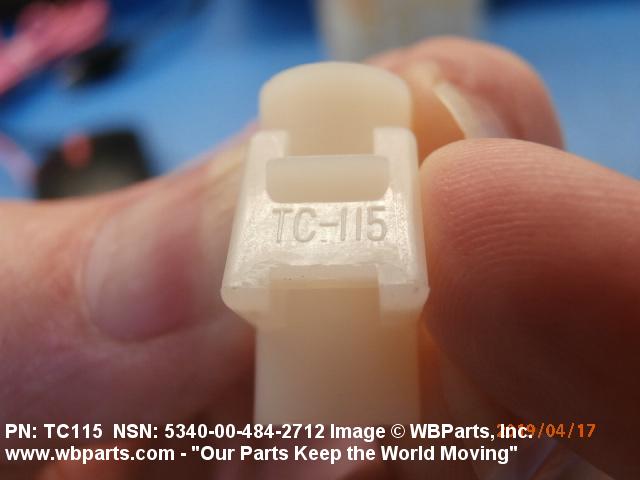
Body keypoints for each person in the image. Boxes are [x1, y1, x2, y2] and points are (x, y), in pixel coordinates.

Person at [0, 37, 637, 480]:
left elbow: (401, 277)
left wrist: (394, 288)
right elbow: (249, 280)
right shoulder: (282, 160)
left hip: (368, 389)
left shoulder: (384, 154)